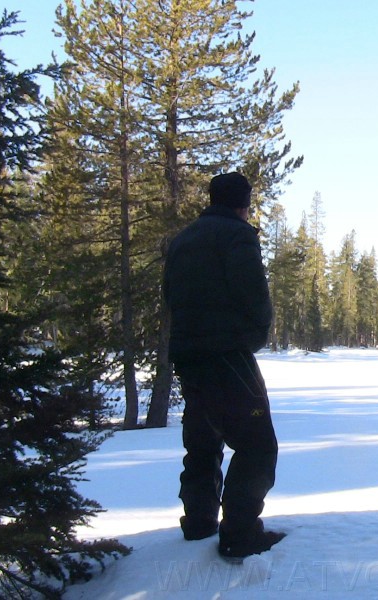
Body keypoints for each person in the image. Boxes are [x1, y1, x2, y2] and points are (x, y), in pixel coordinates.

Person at [162, 171, 283, 560]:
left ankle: (198, 524)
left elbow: (169, 295)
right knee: (257, 445)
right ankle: (239, 533)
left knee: (203, 438)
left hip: (188, 356)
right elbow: (254, 296)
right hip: (226, 354)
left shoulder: (183, 240)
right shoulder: (237, 235)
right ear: (242, 204)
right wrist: (255, 337)